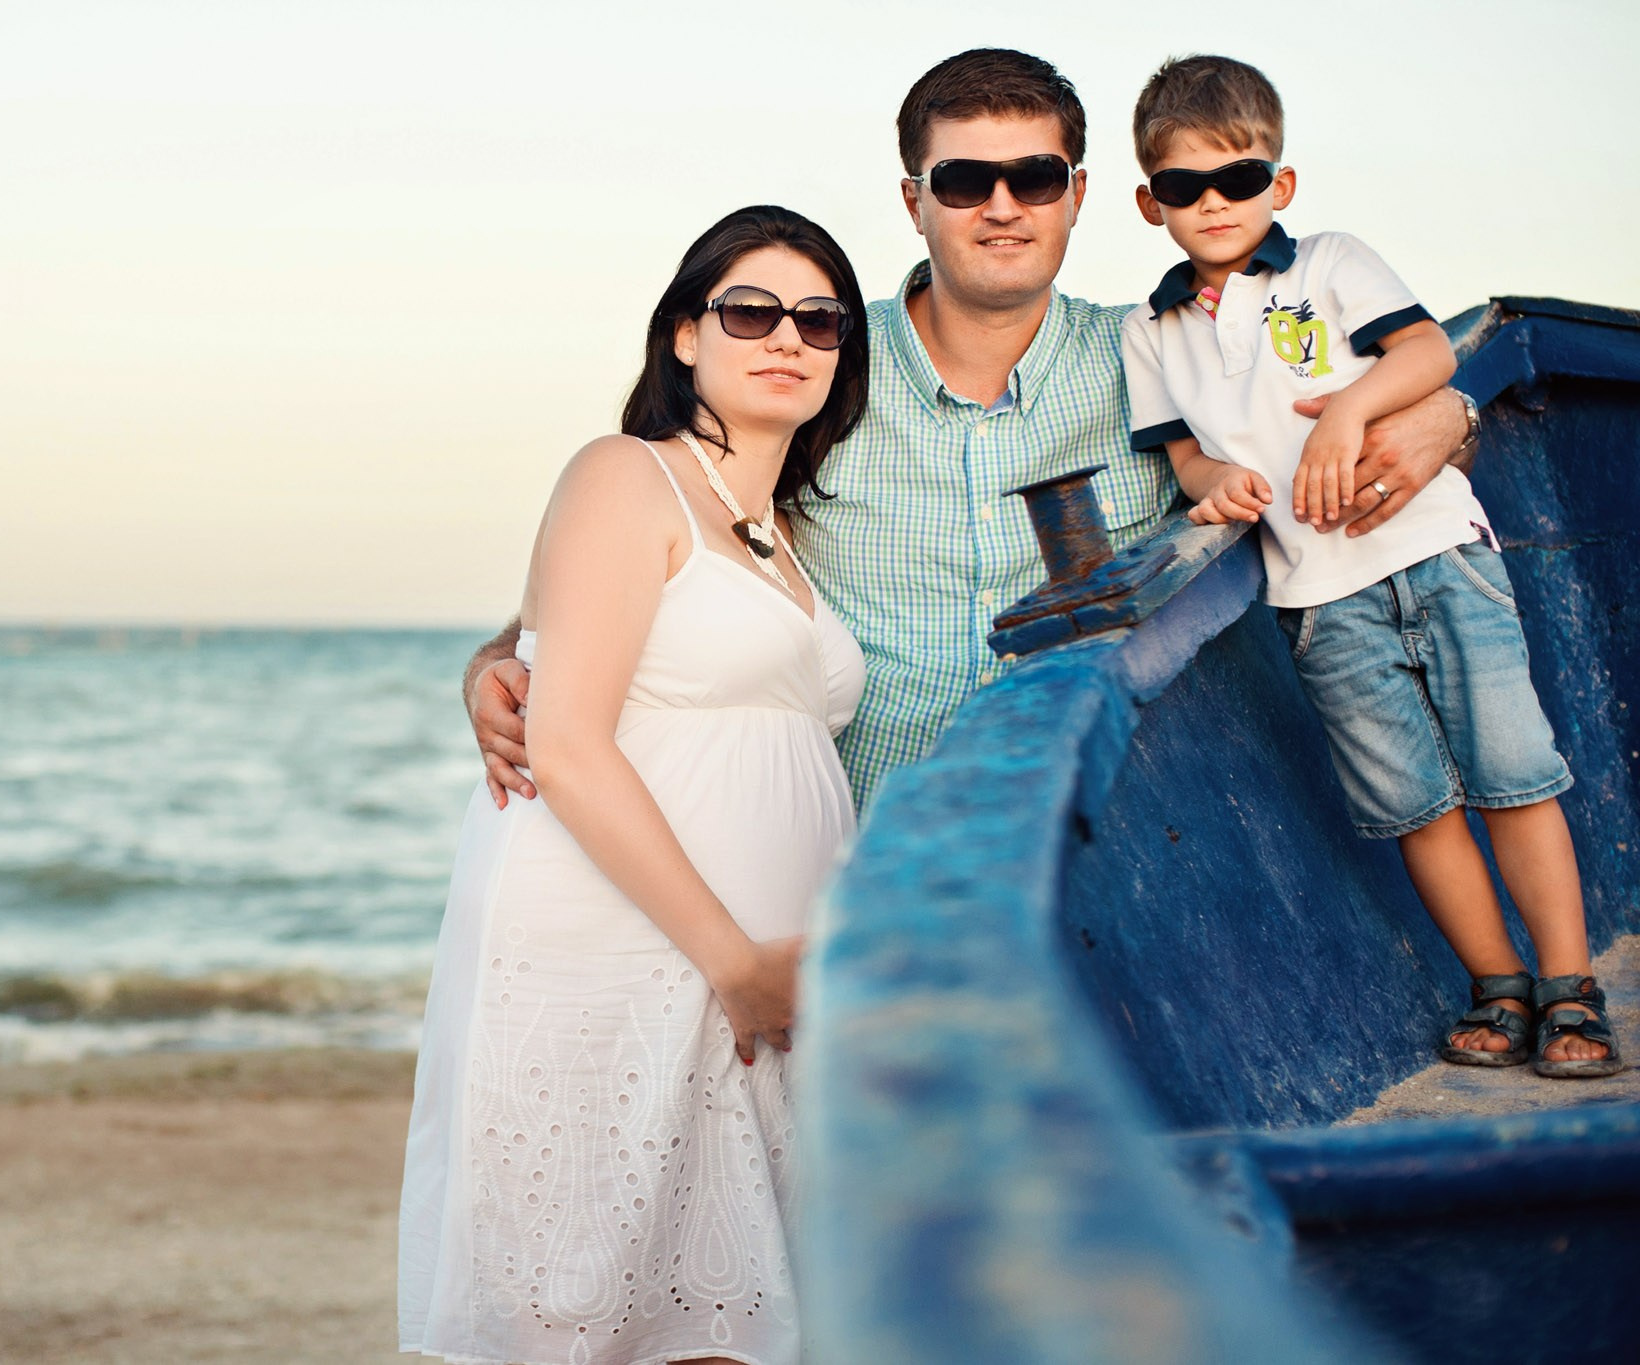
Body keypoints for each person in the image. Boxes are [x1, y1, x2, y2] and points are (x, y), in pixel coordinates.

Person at [467, 49, 1477, 819]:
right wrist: (500, 658)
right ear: (914, 201)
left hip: (1095, 836)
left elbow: (1318, 429)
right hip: (860, 839)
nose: (1001, 208)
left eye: (1034, 177)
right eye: (961, 182)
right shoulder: (816, 358)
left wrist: (1447, 413)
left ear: (1077, 195)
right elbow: (653, 511)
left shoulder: (1165, 356)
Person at [398, 205, 871, 1364]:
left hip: (752, 979)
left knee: (727, 1325)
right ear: (681, 337)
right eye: (748, 310)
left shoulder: (785, 527)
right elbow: (565, 742)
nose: (785, 338)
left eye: (818, 319)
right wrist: (733, 963)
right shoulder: (625, 476)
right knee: (597, 1317)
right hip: (633, 953)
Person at [1119, 54, 1620, 1078]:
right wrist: (1214, 480)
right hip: (1314, 599)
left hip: (1435, 553)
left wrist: (1347, 406)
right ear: (1147, 201)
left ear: (1280, 185)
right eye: (1182, 186)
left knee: (1513, 781)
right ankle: (1499, 987)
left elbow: (1428, 357)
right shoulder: (1149, 330)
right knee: (1414, 808)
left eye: (1238, 177)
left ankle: (1570, 991)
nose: (1213, 202)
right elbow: (1182, 454)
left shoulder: (1329, 264)